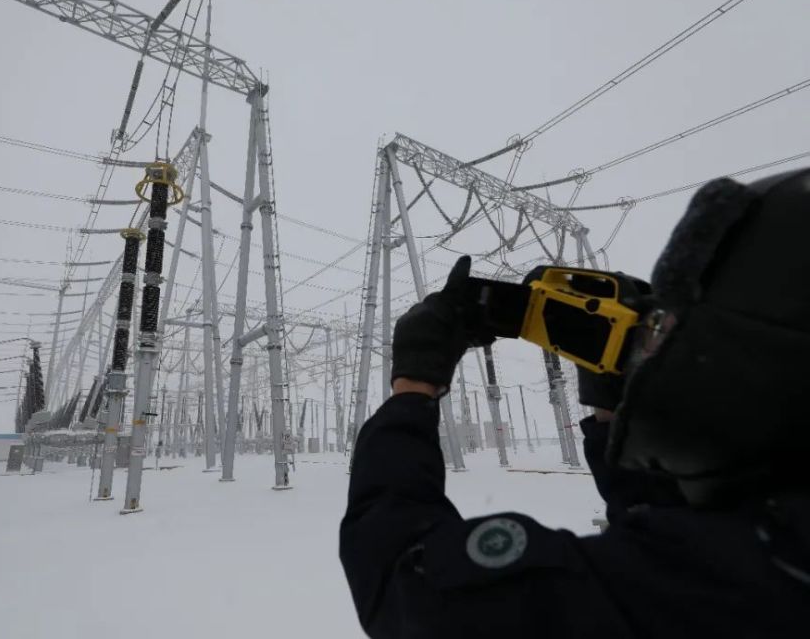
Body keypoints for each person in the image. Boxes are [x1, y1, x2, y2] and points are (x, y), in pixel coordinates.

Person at [339, 169, 810, 638]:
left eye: (659, 330)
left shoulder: (730, 580)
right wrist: (613, 414)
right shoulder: (765, 554)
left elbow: (407, 580)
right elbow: (671, 540)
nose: (648, 353)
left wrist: (414, 389)